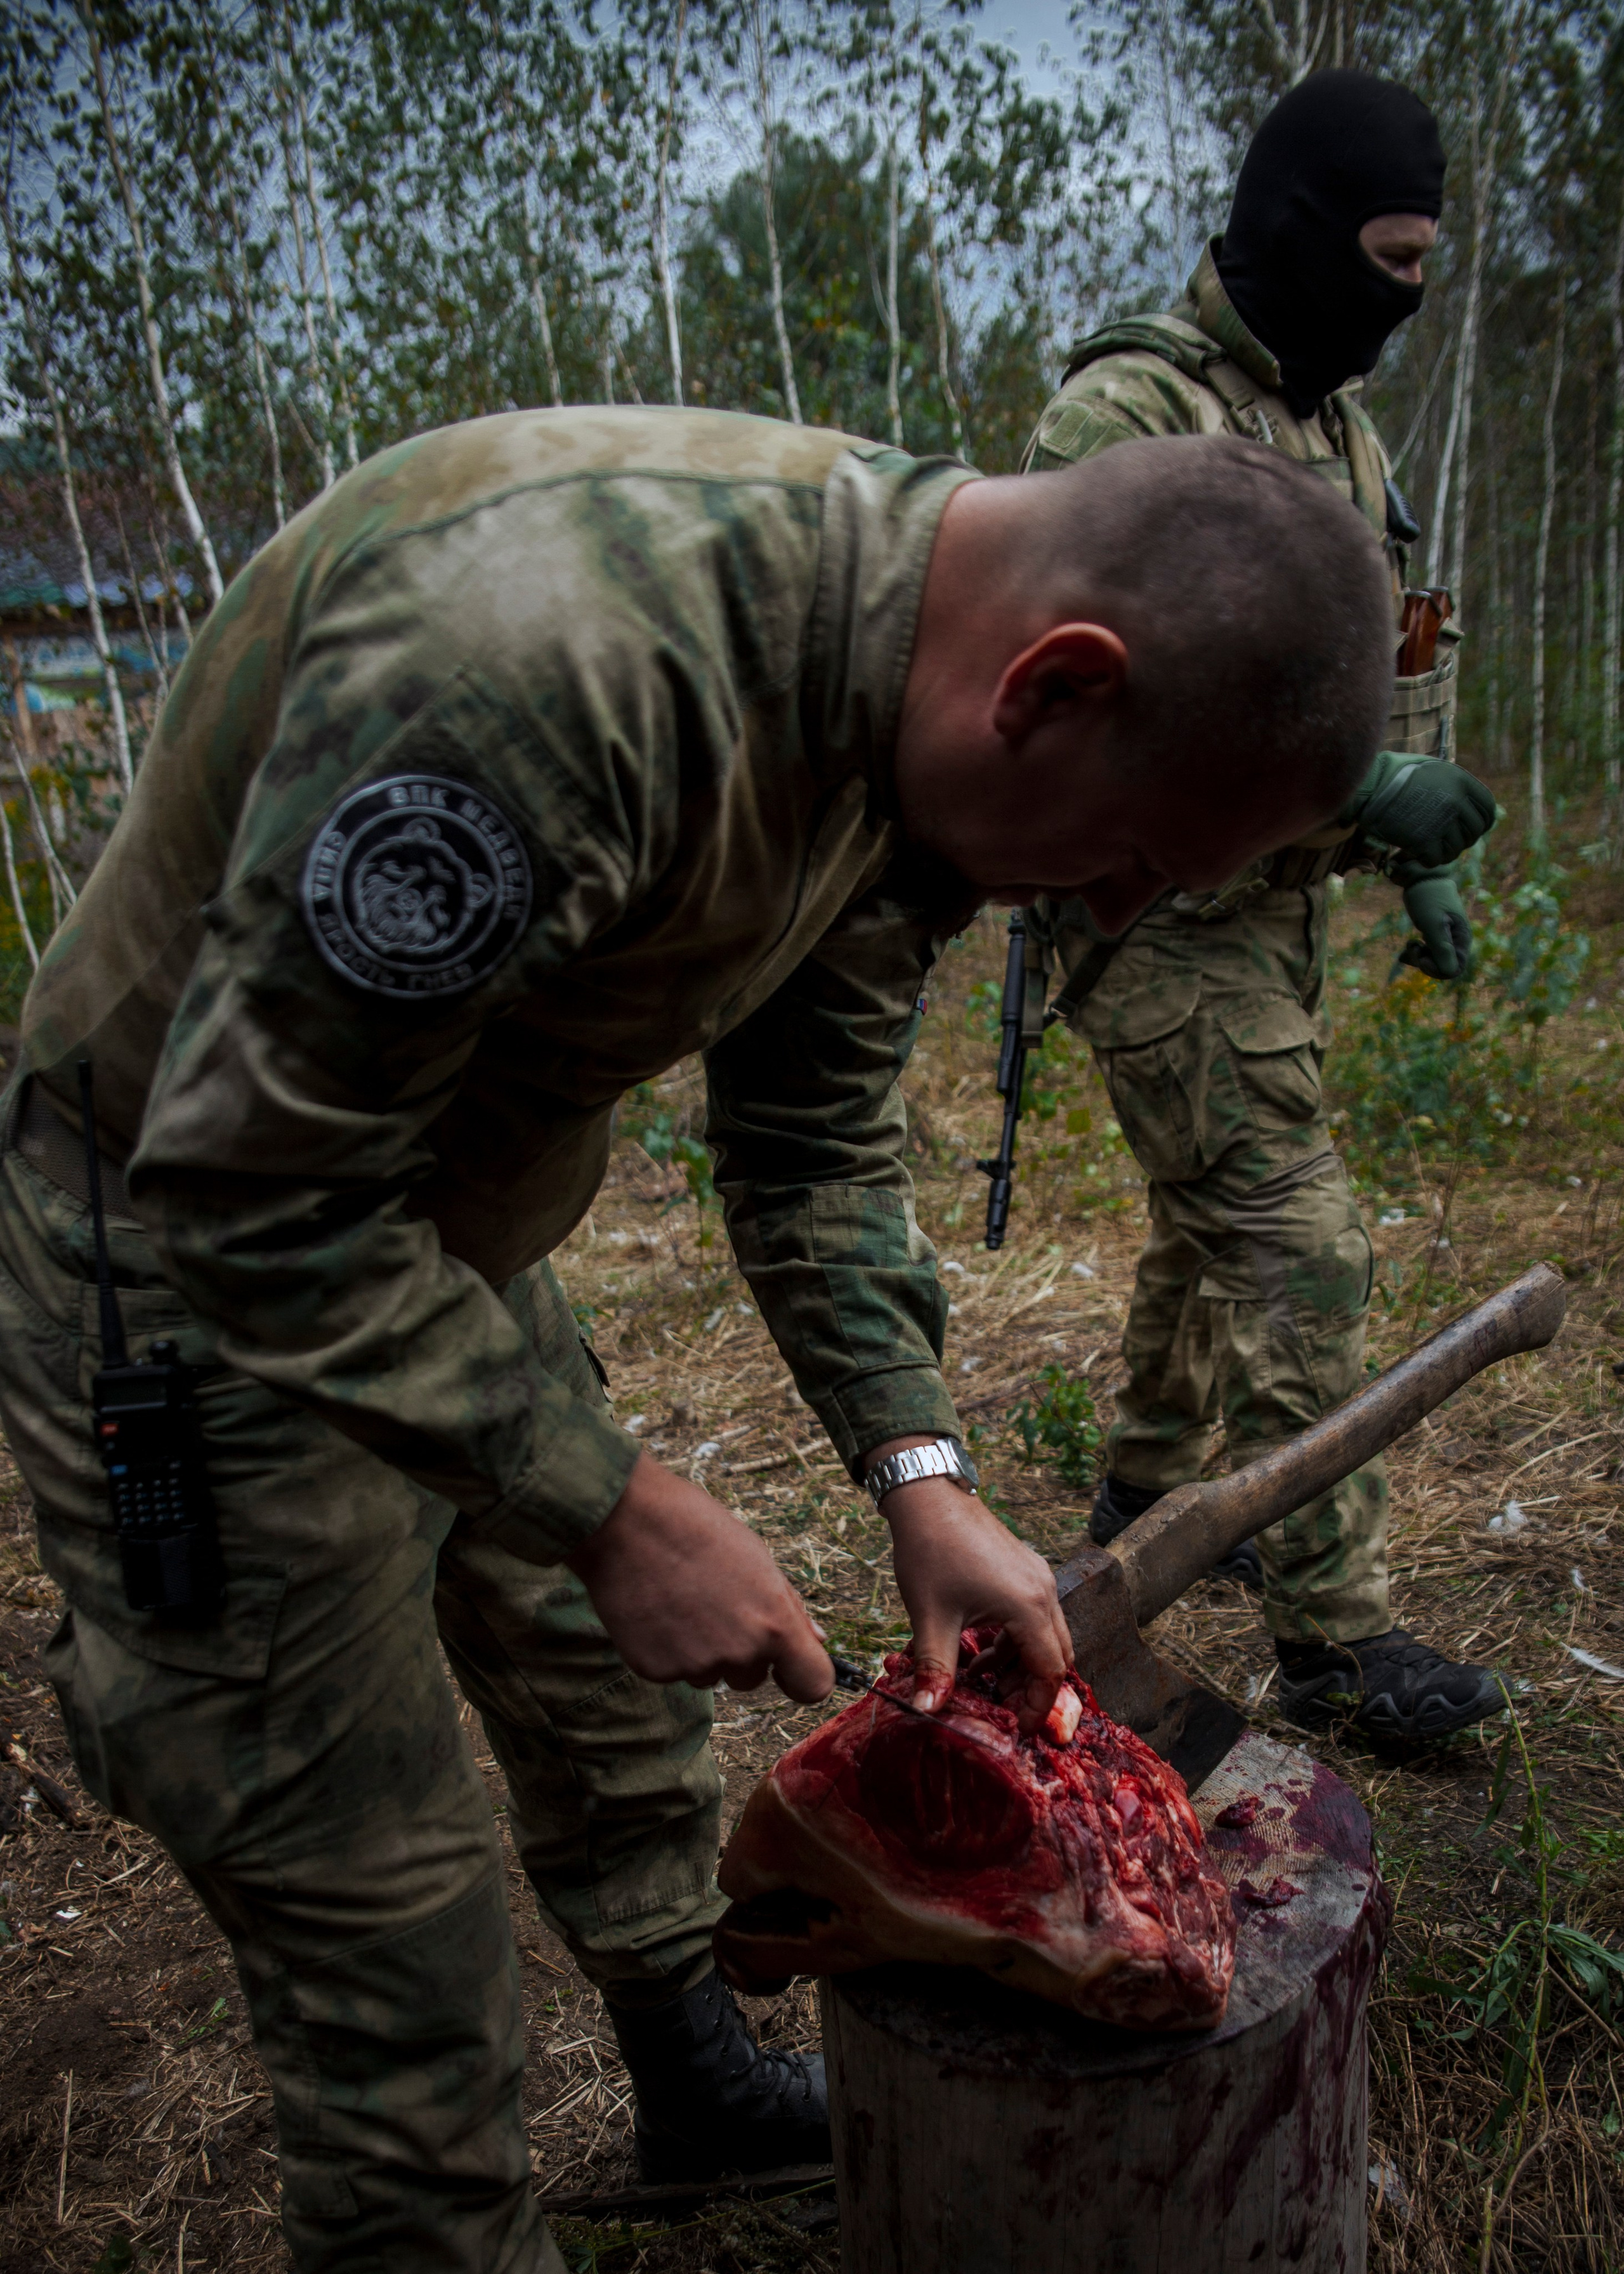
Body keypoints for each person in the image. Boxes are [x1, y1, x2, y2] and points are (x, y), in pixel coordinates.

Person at [0, 407, 1394, 2274]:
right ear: (1059, 685)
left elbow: (809, 1137)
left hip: (429, 1226)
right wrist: (602, 1496)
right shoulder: (549, 676)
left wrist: (923, 1470)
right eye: (1137, 855)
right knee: (390, 1939)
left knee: (609, 1705)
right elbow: (245, 1188)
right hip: (188, 1266)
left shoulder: (923, 726)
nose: (1114, 913)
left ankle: (691, 2077)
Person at [1021, 71, 1501, 1743]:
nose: (1408, 297)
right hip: (1151, 917)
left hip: (1280, 920)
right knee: (1300, 1249)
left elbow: (1392, 644)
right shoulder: (1124, 418)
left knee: (1200, 1232)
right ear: (1299, 229)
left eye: (1429, 265)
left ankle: (1126, 1530)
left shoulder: (1344, 428)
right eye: (1387, 254)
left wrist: (1414, 840)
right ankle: (1334, 1639)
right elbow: (1090, 690)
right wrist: (1350, 787)